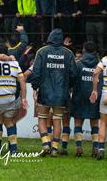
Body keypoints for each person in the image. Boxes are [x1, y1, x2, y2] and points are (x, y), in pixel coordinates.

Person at [30, 28, 77, 156]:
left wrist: (35, 87)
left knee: (42, 118)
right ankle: (55, 148)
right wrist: (69, 87)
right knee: (57, 120)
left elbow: (36, 72)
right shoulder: (68, 53)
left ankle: (46, 144)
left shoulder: (42, 51)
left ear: (49, 38)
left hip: (45, 92)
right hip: (62, 93)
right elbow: (74, 74)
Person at [0, 42, 28, 153]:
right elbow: (22, 81)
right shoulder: (15, 64)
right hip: (9, 99)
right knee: (9, 121)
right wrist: (24, 98)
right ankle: (13, 149)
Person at [71, 42, 102, 157]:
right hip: (94, 96)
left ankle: (79, 147)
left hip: (79, 95)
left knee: (78, 122)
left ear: (84, 50)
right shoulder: (99, 65)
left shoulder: (78, 64)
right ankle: (95, 147)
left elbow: (72, 79)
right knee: (94, 122)